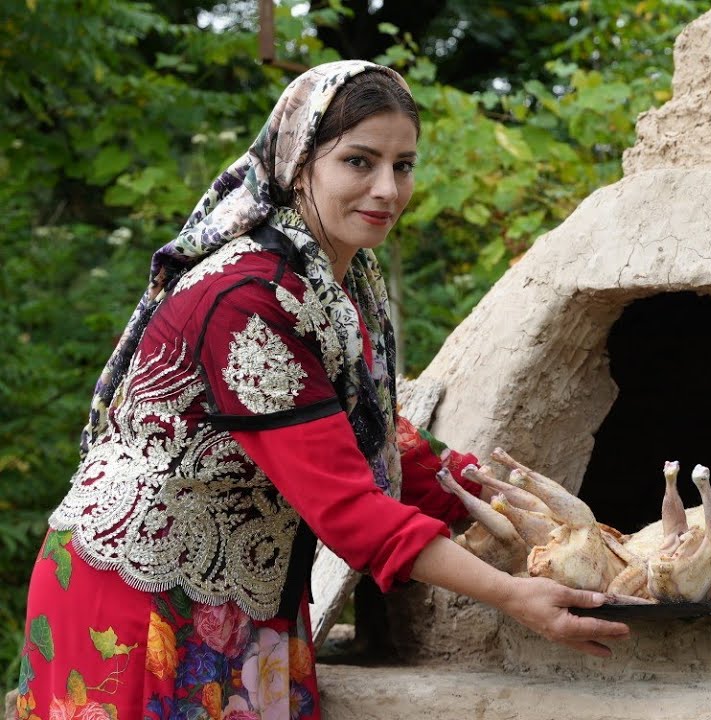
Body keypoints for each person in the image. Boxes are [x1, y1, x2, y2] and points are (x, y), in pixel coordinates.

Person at [13, 60, 629, 720]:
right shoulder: (245, 299)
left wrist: (547, 516)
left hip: (246, 587)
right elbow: (345, 505)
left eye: (404, 165)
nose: (387, 189)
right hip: (144, 599)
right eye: (359, 161)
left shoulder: (333, 276)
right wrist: (511, 594)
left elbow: (372, 438)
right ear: (300, 162)